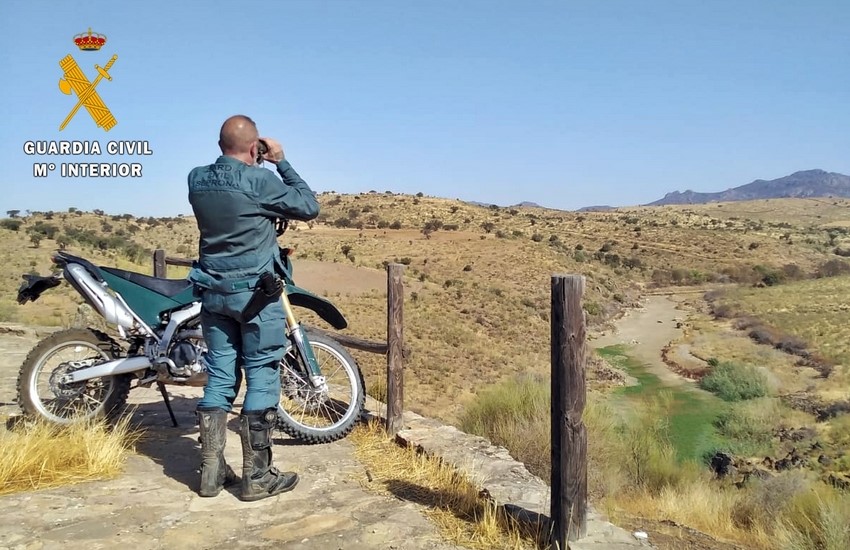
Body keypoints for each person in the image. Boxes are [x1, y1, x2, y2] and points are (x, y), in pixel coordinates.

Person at [186, 115, 320, 501]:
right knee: (262, 374)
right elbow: (308, 206)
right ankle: (257, 477)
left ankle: (211, 473)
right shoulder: (259, 180)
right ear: (253, 148)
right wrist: (280, 161)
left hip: (214, 296)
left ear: (219, 145)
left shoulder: (196, 179)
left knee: (220, 377)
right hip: (256, 298)